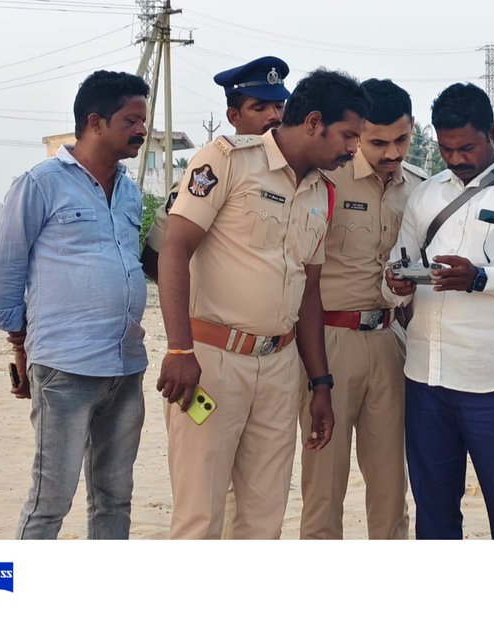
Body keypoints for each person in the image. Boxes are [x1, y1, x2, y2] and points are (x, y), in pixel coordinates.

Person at [156, 69, 368, 539]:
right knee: (199, 518)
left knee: (264, 520)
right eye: (348, 135)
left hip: (279, 368)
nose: (354, 149)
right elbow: (175, 248)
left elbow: (309, 292)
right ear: (313, 122)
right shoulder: (228, 160)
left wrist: (320, 383)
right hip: (211, 363)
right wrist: (179, 349)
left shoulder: (321, 191)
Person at [383, 82, 494, 540]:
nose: (456, 158)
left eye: (466, 147)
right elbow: (398, 261)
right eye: (446, 149)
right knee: (433, 510)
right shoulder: (427, 194)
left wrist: (482, 278)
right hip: (425, 376)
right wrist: (395, 283)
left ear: (493, 132)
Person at [0, 70, 151, 539]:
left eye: (143, 120)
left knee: (115, 496)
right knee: (50, 499)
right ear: (95, 122)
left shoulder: (130, 190)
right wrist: (20, 342)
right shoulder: (41, 184)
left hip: (126, 365)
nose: (141, 130)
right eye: (131, 120)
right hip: (65, 369)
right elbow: (3, 271)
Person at [300, 78, 426, 540]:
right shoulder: (324, 180)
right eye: (377, 142)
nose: (392, 153)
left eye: (402, 140)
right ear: (357, 134)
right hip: (329, 344)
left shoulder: (420, 189)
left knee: (392, 487)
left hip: (392, 342)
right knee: (323, 487)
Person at [143, 56, 293, 281]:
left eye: (279, 106)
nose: (275, 116)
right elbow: (155, 255)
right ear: (233, 116)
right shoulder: (218, 165)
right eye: (259, 108)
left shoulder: (294, 173)